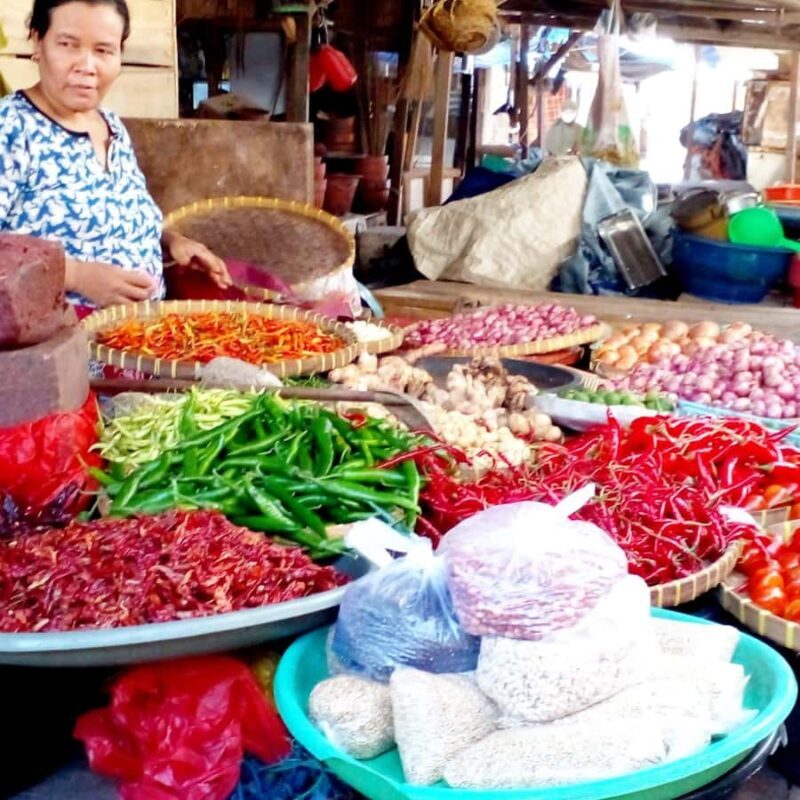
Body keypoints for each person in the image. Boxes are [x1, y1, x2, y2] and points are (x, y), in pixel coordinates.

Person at [0, 0, 232, 309]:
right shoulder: (11, 129)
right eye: (68, 45)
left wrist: (171, 242)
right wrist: (75, 276)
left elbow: (125, 215)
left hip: (142, 337)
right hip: (59, 349)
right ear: (36, 41)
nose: (86, 65)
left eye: (103, 50)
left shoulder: (111, 127)